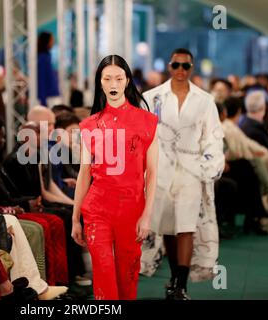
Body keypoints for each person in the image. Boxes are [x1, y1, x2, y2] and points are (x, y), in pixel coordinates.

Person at [71, 55, 159, 300]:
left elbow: (152, 174)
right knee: (104, 274)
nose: (113, 83)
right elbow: (84, 173)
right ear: (100, 82)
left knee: (127, 276)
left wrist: (147, 214)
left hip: (132, 209)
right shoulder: (89, 125)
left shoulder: (148, 122)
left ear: (127, 81)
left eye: (118, 78)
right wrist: (75, 217)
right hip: (97, 208)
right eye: (107, 78)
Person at [143, 48, 225, 300]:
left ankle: (181, 285)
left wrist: (208, 167)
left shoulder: (204, 100)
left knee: (187, 227)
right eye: (176, 65)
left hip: (191, 170)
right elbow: (141, 135)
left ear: (192, 68)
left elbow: (213, 135)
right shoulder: (151, 97)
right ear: (169, 66)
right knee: (167, 227)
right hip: (161, 171)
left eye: (185, 66)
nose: (180, 70)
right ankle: (173, 278)